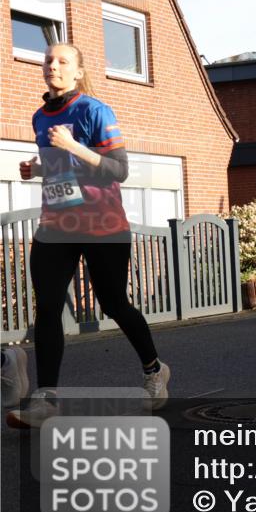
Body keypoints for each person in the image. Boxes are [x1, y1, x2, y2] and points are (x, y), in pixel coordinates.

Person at [8, 44, 170, 428]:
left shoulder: (95, 111)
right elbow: (64, 171)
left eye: (63, 61)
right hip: (56, 227)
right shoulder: (39, 117)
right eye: (49, 60)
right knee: (47, 307)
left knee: (114, 303)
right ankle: (46, 399)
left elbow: (118, 170)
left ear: (78, 72)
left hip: (104, 228)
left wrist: (73, 146)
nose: (53, 65)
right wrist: (38, 168)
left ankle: (154, 370)